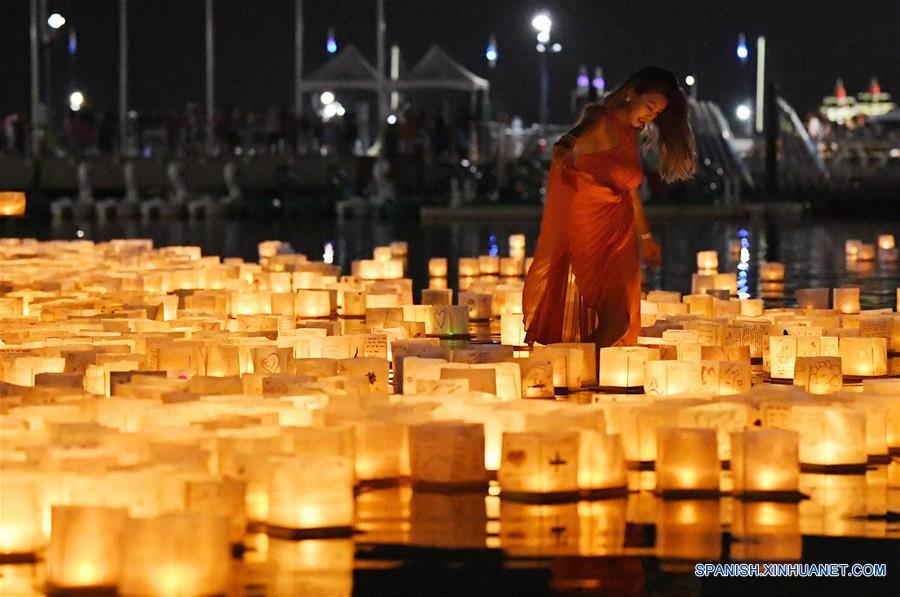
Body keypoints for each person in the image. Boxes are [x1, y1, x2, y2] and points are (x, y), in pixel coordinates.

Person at [523, 67, 697, 349]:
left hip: (621, 236)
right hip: (591, 230)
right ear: (631, 94)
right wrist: (565, 148)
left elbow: (631, 192)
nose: (649, 118)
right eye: (649, 107)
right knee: (616, 321)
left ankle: (583, 372)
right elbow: (573, 137)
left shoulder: (632, 132)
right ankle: (571, 369)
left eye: (656, 114)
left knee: (620, 319)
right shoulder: (600, 118)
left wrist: (647, 238)